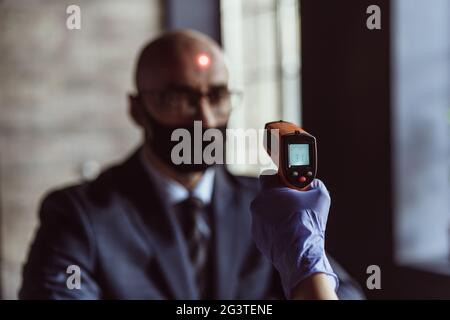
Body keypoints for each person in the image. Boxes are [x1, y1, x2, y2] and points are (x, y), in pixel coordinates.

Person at [19, 30, 364, 300]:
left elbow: (345, 294)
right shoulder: (79, 214)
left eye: (217, 96)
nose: (205, 118)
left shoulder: (268, 205)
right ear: (137, 110)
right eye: (178, 99)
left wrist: (309, 259)